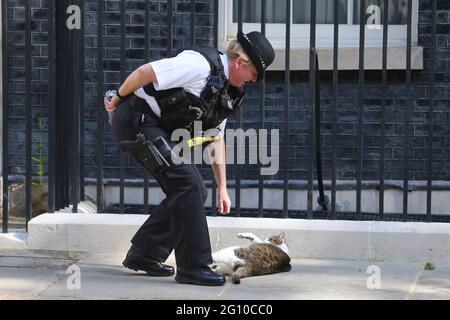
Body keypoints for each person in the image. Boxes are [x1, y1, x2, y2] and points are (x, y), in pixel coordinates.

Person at [104, 31, 275, 286]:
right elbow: (144, 72)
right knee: (188, 183)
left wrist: (223, 188)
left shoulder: (225, 92)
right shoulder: (199, 65)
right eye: (254, 75)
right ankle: (193, 267)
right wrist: (117, 98)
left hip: (156, 128)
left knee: (193, 190)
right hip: (135, 120)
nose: (252, 81)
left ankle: (144, 253)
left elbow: (216, 139)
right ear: (241, 62)